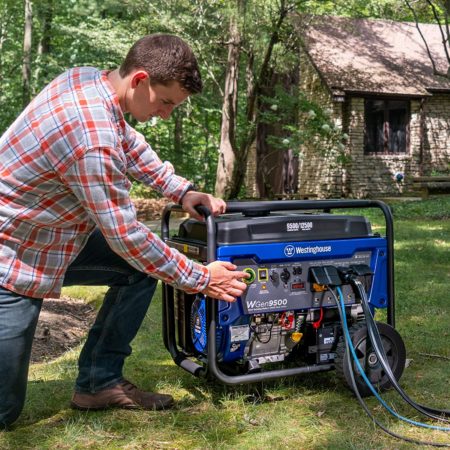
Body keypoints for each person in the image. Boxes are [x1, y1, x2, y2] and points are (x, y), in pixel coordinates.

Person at [0, 34, 248, 428]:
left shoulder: (85, 81)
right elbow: (126, 236)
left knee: (138, 271)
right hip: (12, 255)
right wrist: (201, 277)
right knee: (3, 413)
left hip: (55, 238)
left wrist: (178, 189)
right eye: (165, 102)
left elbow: (128, 143)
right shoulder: (91, 138)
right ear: (140, 80)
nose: (166, 114)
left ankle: (98, 383)